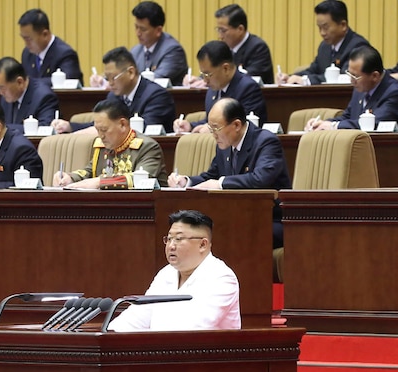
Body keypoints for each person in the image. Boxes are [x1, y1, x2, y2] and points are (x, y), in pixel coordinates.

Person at [168, 98, 288, 250]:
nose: (213, 135)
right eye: (210, 129)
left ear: (236, 125)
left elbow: (260, 179)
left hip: (270, 220)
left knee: (224, 235)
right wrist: (186, 181)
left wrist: (220, 184)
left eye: (216, 129)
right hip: (238, 218)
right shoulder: (224, 145)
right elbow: (211, 176)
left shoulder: (266, 142)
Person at [107, 209, 241, 332]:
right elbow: (137, 317)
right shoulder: (166, 273)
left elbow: (195, 328)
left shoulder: (221, 278)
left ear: (202, 245)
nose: (171, 246)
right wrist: (110, 334)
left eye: (178, 239)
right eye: (169, 239)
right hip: (162, 351)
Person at [53, 99, 168, 189]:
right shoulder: (102, 145)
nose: (100, 135)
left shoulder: (147, 147)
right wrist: (70, 178)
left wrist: (100, 182)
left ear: (122, 124)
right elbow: (89, 172)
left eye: (104, 130)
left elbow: (140, 179)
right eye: (97, 130)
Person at [55, 47, 175, 134]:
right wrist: (70, 126)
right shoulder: (114, 96)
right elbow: (99, 125)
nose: (110, 83)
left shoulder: (157, 96)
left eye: (113, 77)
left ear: (131, 72)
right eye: (107, 78)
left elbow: (143, 129)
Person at [306, 46, 398, 131]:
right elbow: (348, 116)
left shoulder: (396, 93)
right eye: (349, 74)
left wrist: (334, 126)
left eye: (355, 76)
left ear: (374, 76)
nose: (351, 80)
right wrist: (325, 123)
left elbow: (372, 123)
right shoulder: (361, 88)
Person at [173, 41, 266, 134]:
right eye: (203, 74)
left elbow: (247, 126)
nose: (205, 81)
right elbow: (209, 121)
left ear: (225, 68)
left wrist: (213, 129)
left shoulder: (248, 88)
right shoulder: (213, 90)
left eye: (207, 74)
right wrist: (190, 126)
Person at [278, 1, 370, 86]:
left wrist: (306, 80)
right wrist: (291, 77)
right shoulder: (324, 47)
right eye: (319, 28)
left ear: (343, 25)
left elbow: (343, 77)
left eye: (326, 27)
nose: (322, 33)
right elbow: (313, 70)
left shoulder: (358, 47)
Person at [211, 4, 274, 85]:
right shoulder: (223, 48)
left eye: (223, 30)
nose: (220, 36)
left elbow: (248, 78)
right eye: (218, 30)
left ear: (240, 29)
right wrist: (202, 78)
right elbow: (213, 69)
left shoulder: (258, 48)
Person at [18, 9, 82, 87]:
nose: (25, 43)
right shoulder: (27, 54)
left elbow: (67, 83)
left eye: (28, 39)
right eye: (23, 38)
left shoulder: (65, 54)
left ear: (45, 34)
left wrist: (28, 83)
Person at [129, 1, 188, 85]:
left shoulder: (173, 51)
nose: (138, 33)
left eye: (143, 29)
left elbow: (152, 81)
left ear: (158, 30)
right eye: (136, 27)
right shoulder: (135, 51)